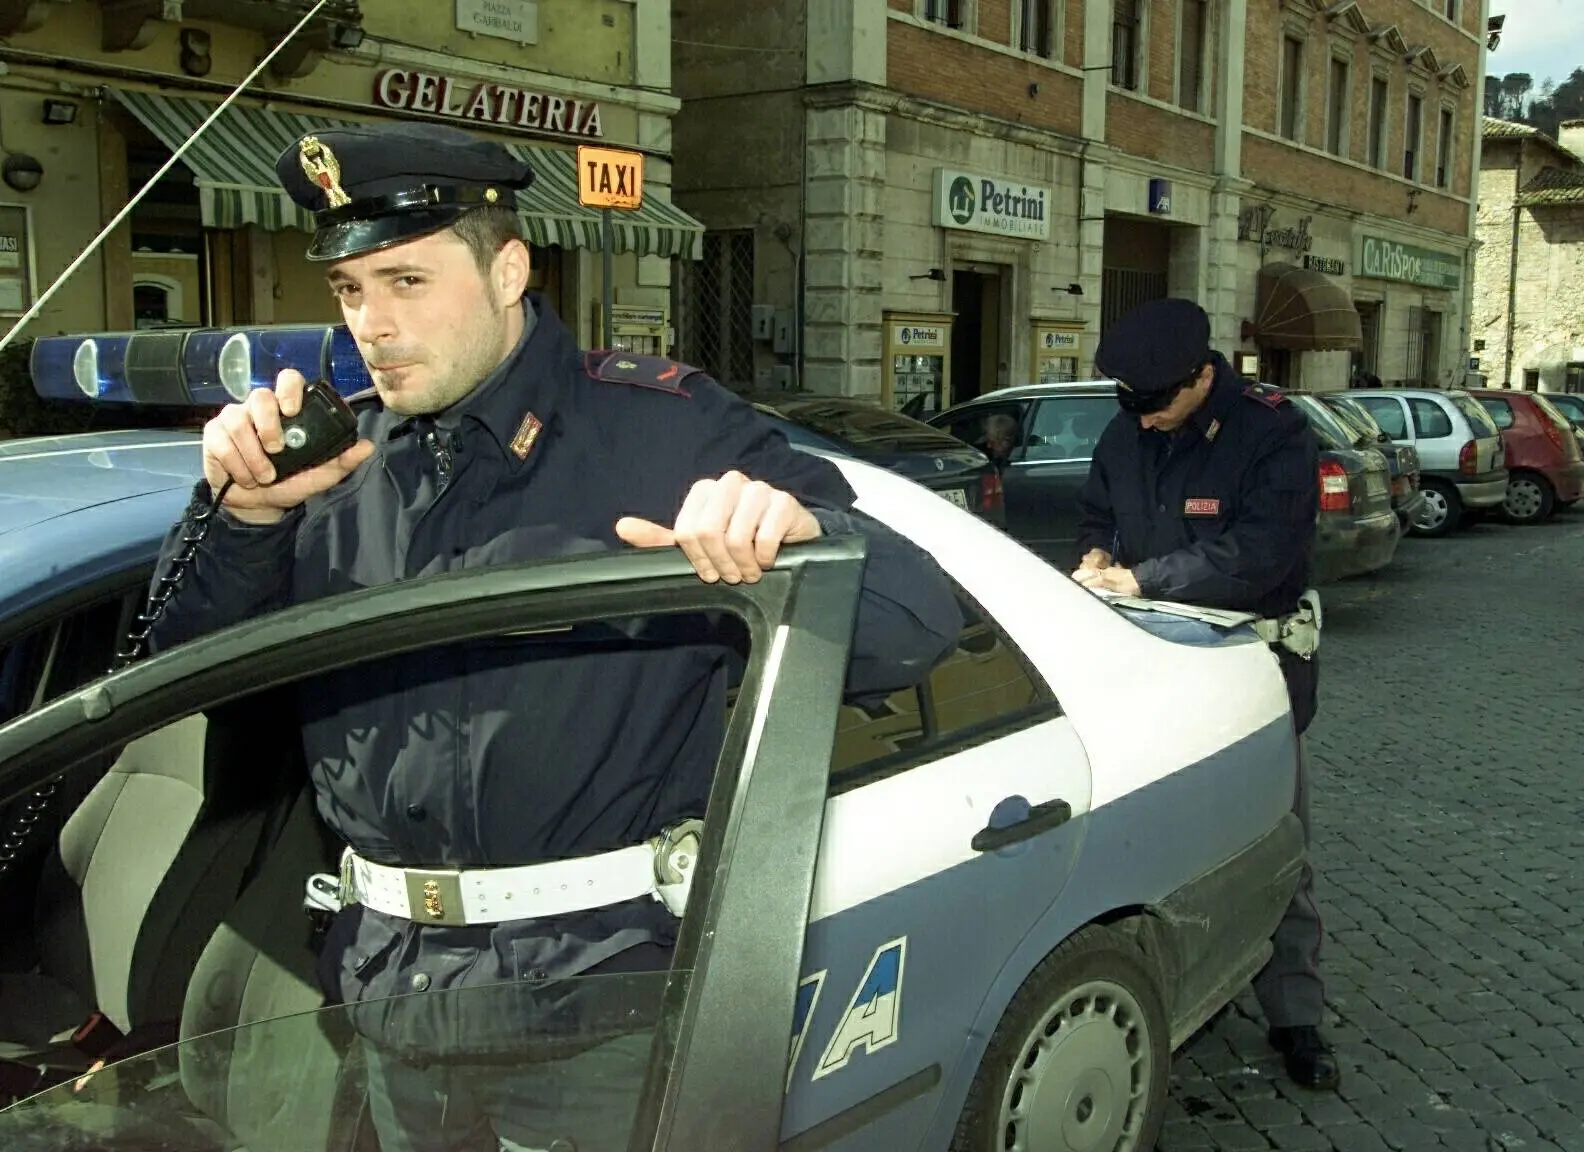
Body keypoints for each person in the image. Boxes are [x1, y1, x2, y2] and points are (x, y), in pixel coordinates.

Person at [144, 122, 963, 1150]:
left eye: (405, 281)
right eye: (351, 292)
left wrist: (798, 537)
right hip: (389, 999)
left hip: (600, 1012)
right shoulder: (336, 474)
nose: (372, 324)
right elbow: (184, 683)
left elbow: (921, 623)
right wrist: (242, 524)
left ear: (508, 271)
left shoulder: (664, 433)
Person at [1069, 297, 1338, 1092]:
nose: (1143, 420)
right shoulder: (1129, 428)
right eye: (1131, 403)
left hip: (1251, 678)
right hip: (1146, 676)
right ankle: (1186, 982)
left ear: (1200, 377)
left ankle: (1297, 1016)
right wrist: (1094, 554)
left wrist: (1142, 578)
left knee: (1274, 843)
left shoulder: (1273, 434)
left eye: (1155, 402)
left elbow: (1262, 553)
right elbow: (1096, 514)